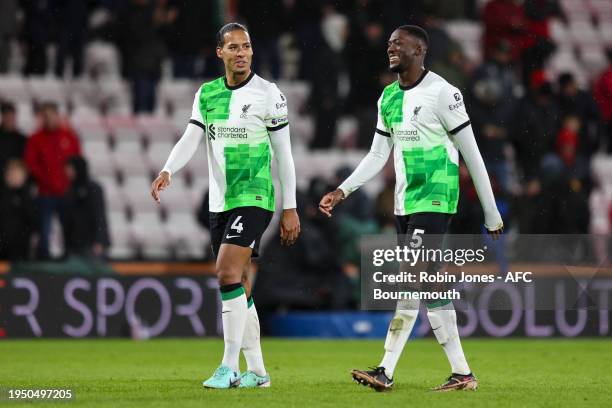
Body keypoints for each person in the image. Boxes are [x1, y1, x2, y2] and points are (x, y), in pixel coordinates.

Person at [319, 25, 503, 392]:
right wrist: (343, 190)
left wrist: (491, 211)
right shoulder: (387, 98)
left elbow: (472, 153)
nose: (390, 48)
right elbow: (377, 155)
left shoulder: (443, 94)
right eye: (389, 43)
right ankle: (462, 374)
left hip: (435, 198)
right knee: (430, 283)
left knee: (409, 278)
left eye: (398, 43)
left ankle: (385, 369)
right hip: (405, 202)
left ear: (419, 50)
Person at [150, 23, 300, 389]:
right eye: (233, 47)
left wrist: (291, 207)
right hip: (221, 202)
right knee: (240, 285)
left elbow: (284, 154)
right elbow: (191, 137)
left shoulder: (269, 94)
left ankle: (229, 366)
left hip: (255, 196)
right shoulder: (207, 94)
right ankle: (260, 374)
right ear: (220, 53)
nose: (242, 53)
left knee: (226, 272)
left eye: (246, 46)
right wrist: (169, 168)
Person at [24, 102, 81, 259]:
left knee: (69, 227)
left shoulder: (69, 136)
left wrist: (67, 183)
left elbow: (77, 161)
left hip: (66, 192)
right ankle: (44, 260)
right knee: (44, 229)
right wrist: (46, 179)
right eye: (45, 116)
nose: (49, 119)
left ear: (57, 115)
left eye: (51, 115)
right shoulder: (36, 139)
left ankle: (69, 257)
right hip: (45, 193)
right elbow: (31, 163)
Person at [63, 156, 110, 258]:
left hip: (91, 245)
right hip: (75, 245)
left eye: (70, 169)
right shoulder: (69, 191)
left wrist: (99, 241)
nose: (67, 172)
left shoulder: (94, 189)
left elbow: (99, 216)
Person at [0, 102, 27, 179]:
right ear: (3, 117)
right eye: (7, 117)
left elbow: (25, 161)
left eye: (12, 117)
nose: (10, 120)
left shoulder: (22, 139)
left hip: (17, 181)